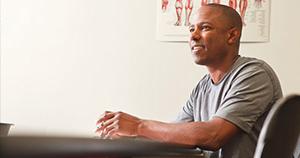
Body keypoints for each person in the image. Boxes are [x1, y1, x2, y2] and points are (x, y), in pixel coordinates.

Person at [96, 4, 282, 158]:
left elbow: (213, 136)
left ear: (231, 36)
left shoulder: (254, 74)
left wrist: (138, 125)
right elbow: (175, 134)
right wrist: (126, 136)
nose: (193, 36)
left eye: (205, 27)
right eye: (192, 28)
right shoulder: (202, 88)